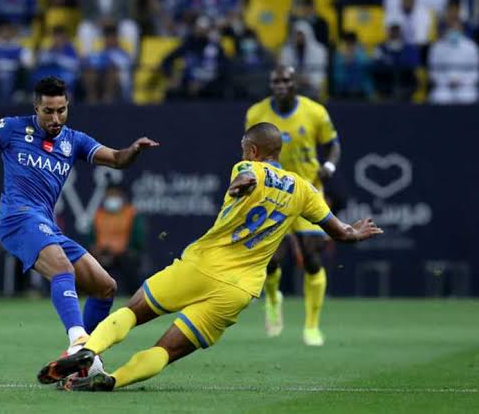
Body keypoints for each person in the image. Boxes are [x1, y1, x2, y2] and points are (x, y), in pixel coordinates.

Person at [37, 122, 382, 391]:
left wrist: (242, 184)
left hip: (202, 265)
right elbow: (340, 233)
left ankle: (89, 349)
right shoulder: (305, 190)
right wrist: (357, 231)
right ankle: (114, 380)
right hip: (239, 289)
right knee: (168, 350)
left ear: (252, 149)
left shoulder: (248, 168)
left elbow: (245, 178)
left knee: (134, 311)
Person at [0, 77, 159, 368]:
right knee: (63, 268)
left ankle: (84, 359)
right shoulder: (10, 128)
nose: (56, 118)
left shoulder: (74, 141)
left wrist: (133, 150)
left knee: (104, 286)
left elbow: (118, 159)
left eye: (61, 110)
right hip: (17, 218)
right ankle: (78, 342)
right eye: (48, 111)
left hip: (46, 226)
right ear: (36, 108)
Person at [244, 66, 341, 346]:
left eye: (286, 80)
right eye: (276, 81)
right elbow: (250, 151)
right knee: (272, 259)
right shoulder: (256, 113)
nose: (281, 85)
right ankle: (273, 297)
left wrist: (330, 165)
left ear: (296, 83)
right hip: (273, 193)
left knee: (311, 257)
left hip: (308, 191)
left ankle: (312, 326)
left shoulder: (315, 112)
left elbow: (333, 144)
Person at [89, 184, 146, 295]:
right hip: (102, 254)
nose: (112, 198)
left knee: (130, 265)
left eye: (115, 195)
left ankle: (134, 296)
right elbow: (90, 237)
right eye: (110, 195)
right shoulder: (98, 214)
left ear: (121, 196)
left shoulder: (130, 213)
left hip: (123, 255)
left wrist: (128, 250)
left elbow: (138, 239)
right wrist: (96, 250)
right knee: (89, 265)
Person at [428, 17, 479, 104]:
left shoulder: (471, 47)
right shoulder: (437, 47)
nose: (453, 30)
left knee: (468, 97)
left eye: (456, 28)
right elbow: (433, 71)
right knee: (439, 97)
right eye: (451, 28)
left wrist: (463, 81)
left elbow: (475, 71)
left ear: (461, 29)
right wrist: (446, 81)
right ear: (446, 29)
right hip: (443, 86)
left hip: (466, 86)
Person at [279, 21, 328, 99]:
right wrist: (295, 79)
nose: (299, 38)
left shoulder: (319, 50)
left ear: (308, 35)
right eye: (297, 35)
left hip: (312, 86)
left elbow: (321, 72)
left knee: (311, 92)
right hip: (293, 85)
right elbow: (284, 70)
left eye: (301, 35)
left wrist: (310, 80)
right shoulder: (286, 51)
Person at [372, 23, 420, 101]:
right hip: (386, 82)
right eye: (393, 31)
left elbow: (414, 64)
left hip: (404, 81)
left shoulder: (409, 48)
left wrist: (395, 62)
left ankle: (402, 95)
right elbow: (376, 65)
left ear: (400, 33)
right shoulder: (380, 47)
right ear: (388, 32)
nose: (395, 33)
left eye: (397, 31)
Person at [332, 32, 373, 99]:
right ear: (345, 42)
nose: (350, 44)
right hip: (343, 88)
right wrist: (345, 61)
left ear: (355, 42)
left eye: (352, 41)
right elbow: (336, 74)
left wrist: (355, 58)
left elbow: (368, 66)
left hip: (361, 88)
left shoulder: (362, 52)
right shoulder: (339, 54)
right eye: (348, 42)